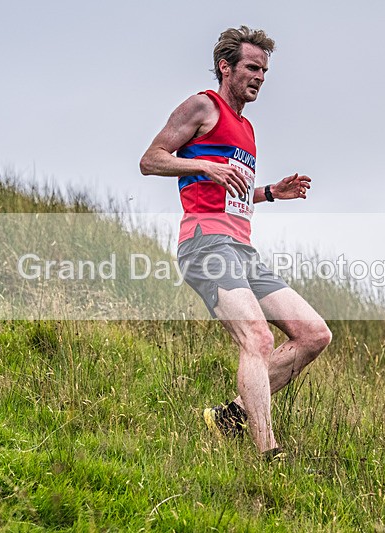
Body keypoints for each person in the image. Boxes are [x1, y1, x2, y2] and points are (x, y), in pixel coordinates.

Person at [139, 26, 331, 457]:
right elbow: (150, 160)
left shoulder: (247, 129)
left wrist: (268, 193)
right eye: (251, 66)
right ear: (226, 67)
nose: (260, 76)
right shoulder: (202, 106)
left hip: (243, 250)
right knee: (257, 339)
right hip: (206, 243)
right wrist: (203, 165)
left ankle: (230, 418)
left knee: (315, 334)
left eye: (264, 69)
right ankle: (268, 454)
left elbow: (233, 192)